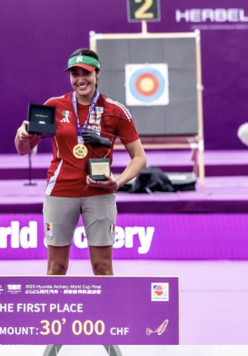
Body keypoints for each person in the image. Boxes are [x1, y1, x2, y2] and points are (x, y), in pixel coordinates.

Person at [15, 49, 148, 276]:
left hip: (99, 194)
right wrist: (22, 135)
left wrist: (117, 182)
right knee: (56, 267)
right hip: (60, 192)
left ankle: (105, 312)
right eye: (74, 74)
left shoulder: (115, 111)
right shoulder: (53, 106)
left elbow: (140, 158)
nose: (80, 79)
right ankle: (55, 313)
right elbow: (23, 150)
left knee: (103, 267)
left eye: (85, 73)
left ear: (97, 74)